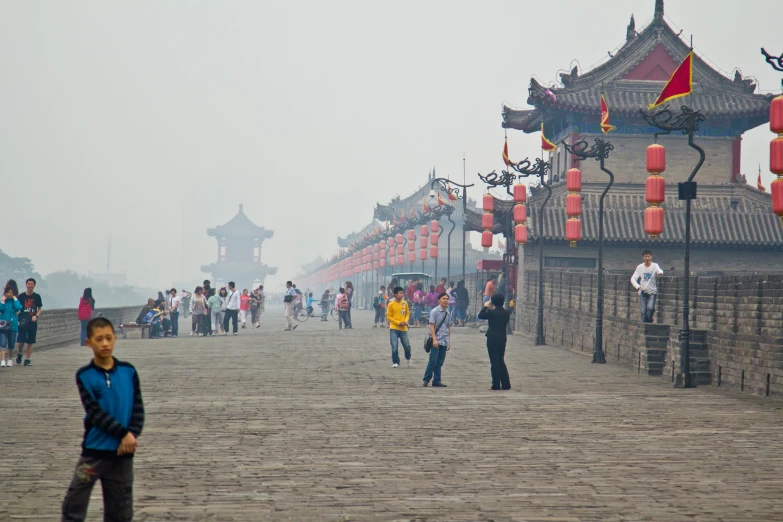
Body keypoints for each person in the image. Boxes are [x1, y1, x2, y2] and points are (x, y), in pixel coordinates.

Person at [60, 317, 144, 522]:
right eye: (99, 339)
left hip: (122, 454)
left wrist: (132, 434)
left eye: (108, 338)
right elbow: (95, 413)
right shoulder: (85, 375)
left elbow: (137, 409)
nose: (105, 344)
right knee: (74, 504)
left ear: (115, 338)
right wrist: (124, 434)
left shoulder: (128, 371)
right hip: (94, 454)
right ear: (89, 342)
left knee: (121, 512)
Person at [478, 293, 511, 390]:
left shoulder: (491, 312)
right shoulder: (506, 313)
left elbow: (480, 315)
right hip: (502, 338)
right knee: (501, 360)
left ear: (493, 302)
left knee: (494, 362)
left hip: (492, 338)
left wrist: (485, 307)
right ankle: (506, 384)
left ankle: (496, 384)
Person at [423, 292, 451, 387]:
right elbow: (431, 326)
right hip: (436, 340)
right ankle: (426, 379)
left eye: (447, 299)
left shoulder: (448, 313)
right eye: (443, 298)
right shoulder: (434, 311)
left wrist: (449, 341)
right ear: (439, 300)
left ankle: (437, 380)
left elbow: (448, 327)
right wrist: (434, 340)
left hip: (444, 340)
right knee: (433, 360)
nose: (445, 300)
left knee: (440, 361)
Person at [15, 278, 43, 367]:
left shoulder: (37, 296)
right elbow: (16, 308)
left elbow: (40, 309)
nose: (30, 285)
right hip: (22, 321)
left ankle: (27, 359)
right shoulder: (21, 296)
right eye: (29, 284)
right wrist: (17, 319)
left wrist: (36, 316)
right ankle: (19, 353)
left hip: (32, 321)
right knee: (20, 341)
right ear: (26, 285)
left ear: (34, 285)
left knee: (30, 341)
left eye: (32, 284)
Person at [631, 250, 664, 323]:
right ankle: (644, 325)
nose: (647, 258)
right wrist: (637, 286)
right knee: (643, 311)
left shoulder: (655, 266)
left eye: (648, 256)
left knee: (651, 308)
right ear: (643, 257)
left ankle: (649, 320)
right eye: (645, 256)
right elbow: (633, 278)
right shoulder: (640, 267)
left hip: (652, 291)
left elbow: (659, 270)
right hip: (642, 291)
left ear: (651, 257)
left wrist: (660, 273)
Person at [386, 286, 411, 368]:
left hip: (403, 328)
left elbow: (407, 313)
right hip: (394, 328)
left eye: (402, 293)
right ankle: (396, 361)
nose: (402, 295)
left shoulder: (405, 303)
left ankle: (408, 357)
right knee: (394, 346)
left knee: (406, 346)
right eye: (400, 293)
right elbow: (389, 316)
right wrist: (398, 322)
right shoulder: (391, 304)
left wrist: (406, 321)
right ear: (395, 294)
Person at [0, 286, 22, 367]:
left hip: (13, 325)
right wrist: (3, 300)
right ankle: (2, 360)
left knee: (11, 344)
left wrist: (15, 298)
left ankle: (9, 359)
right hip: (3, 325)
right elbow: (1, 309)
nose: (9, 294)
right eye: (8, 292)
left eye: (11, 293)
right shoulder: (3, 301)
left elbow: (19, 307)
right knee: (2, 343)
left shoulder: (14, 302)